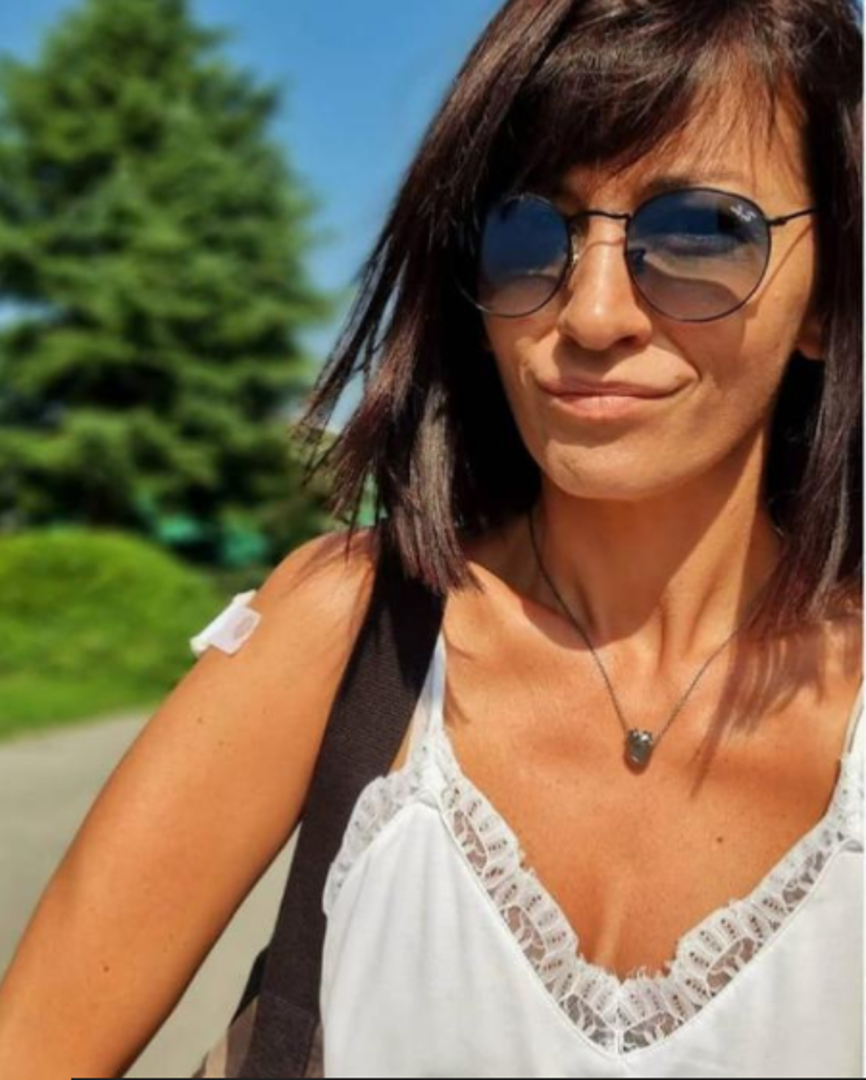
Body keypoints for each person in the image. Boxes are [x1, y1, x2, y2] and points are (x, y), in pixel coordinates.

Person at [0, 0, 861, 1076]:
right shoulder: (346, 632)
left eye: (698, 233)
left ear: (827, 296)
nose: (592, 314)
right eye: (525, 233)